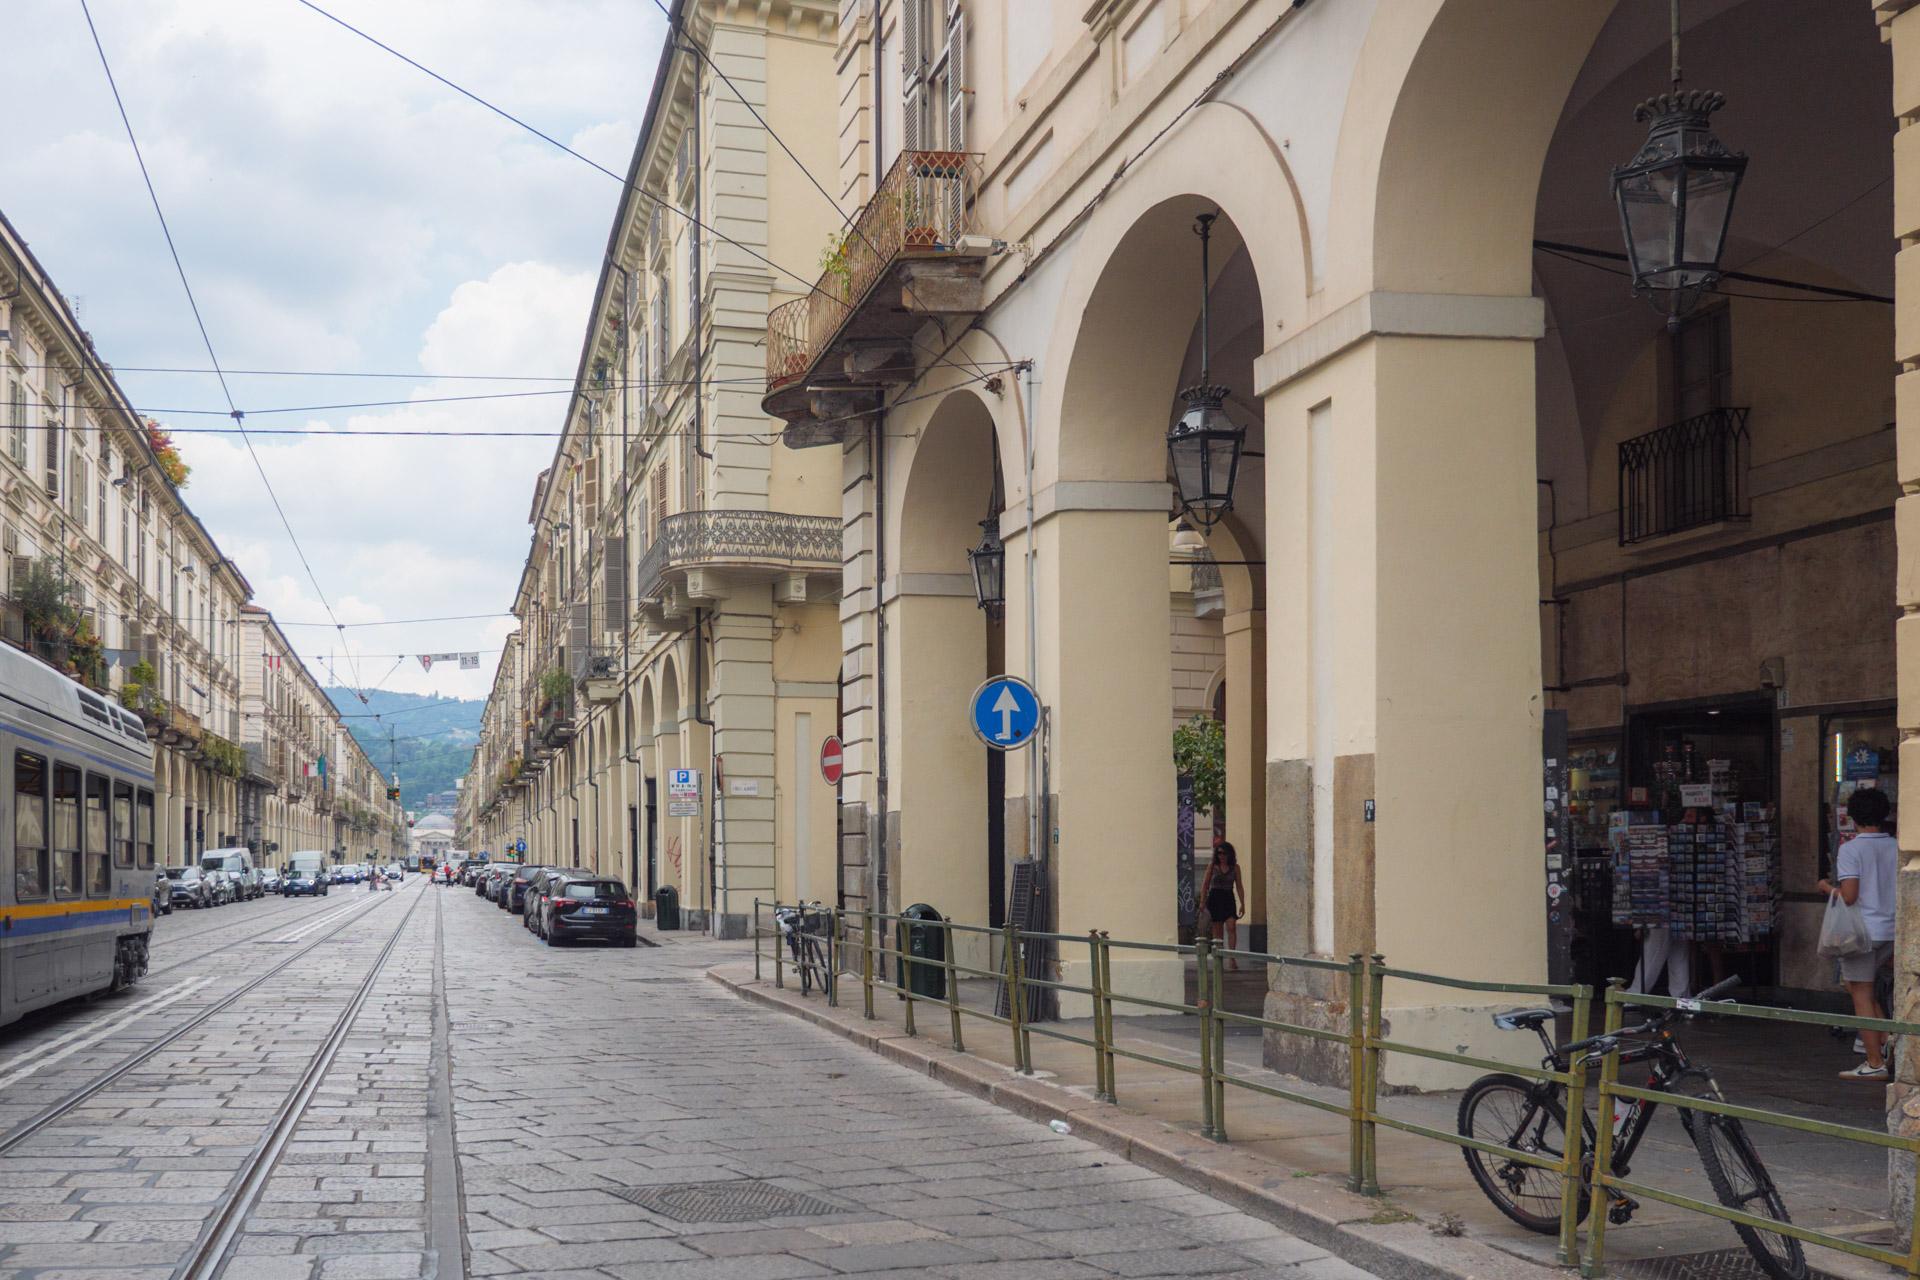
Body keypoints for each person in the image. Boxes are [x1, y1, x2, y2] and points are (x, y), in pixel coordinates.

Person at [1819, 786, 1898, 1082]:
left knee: (1860, 994)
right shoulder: (1896, 845)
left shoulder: (1851, 849)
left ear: (1852, 818)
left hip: (1862, 932)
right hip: (1890, 930)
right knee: (1862, 989)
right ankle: (1891, 1045)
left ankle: (1874, 1061)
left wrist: (1827, 888)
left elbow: (1849, 896)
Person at [1200, 840, 1245, 967]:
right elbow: (1205, 885)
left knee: (1231, 926)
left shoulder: (1235, 868)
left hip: (1228, 897)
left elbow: (1239, 886)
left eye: (1224, 854)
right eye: (1219, 853)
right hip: (1215, 897)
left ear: (1230, 854)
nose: (1222, 856)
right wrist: (1202, 902)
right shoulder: (1212, 866)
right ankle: (1218, 957)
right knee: (1217, 930)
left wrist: (1242, 903)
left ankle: (1232, 957)